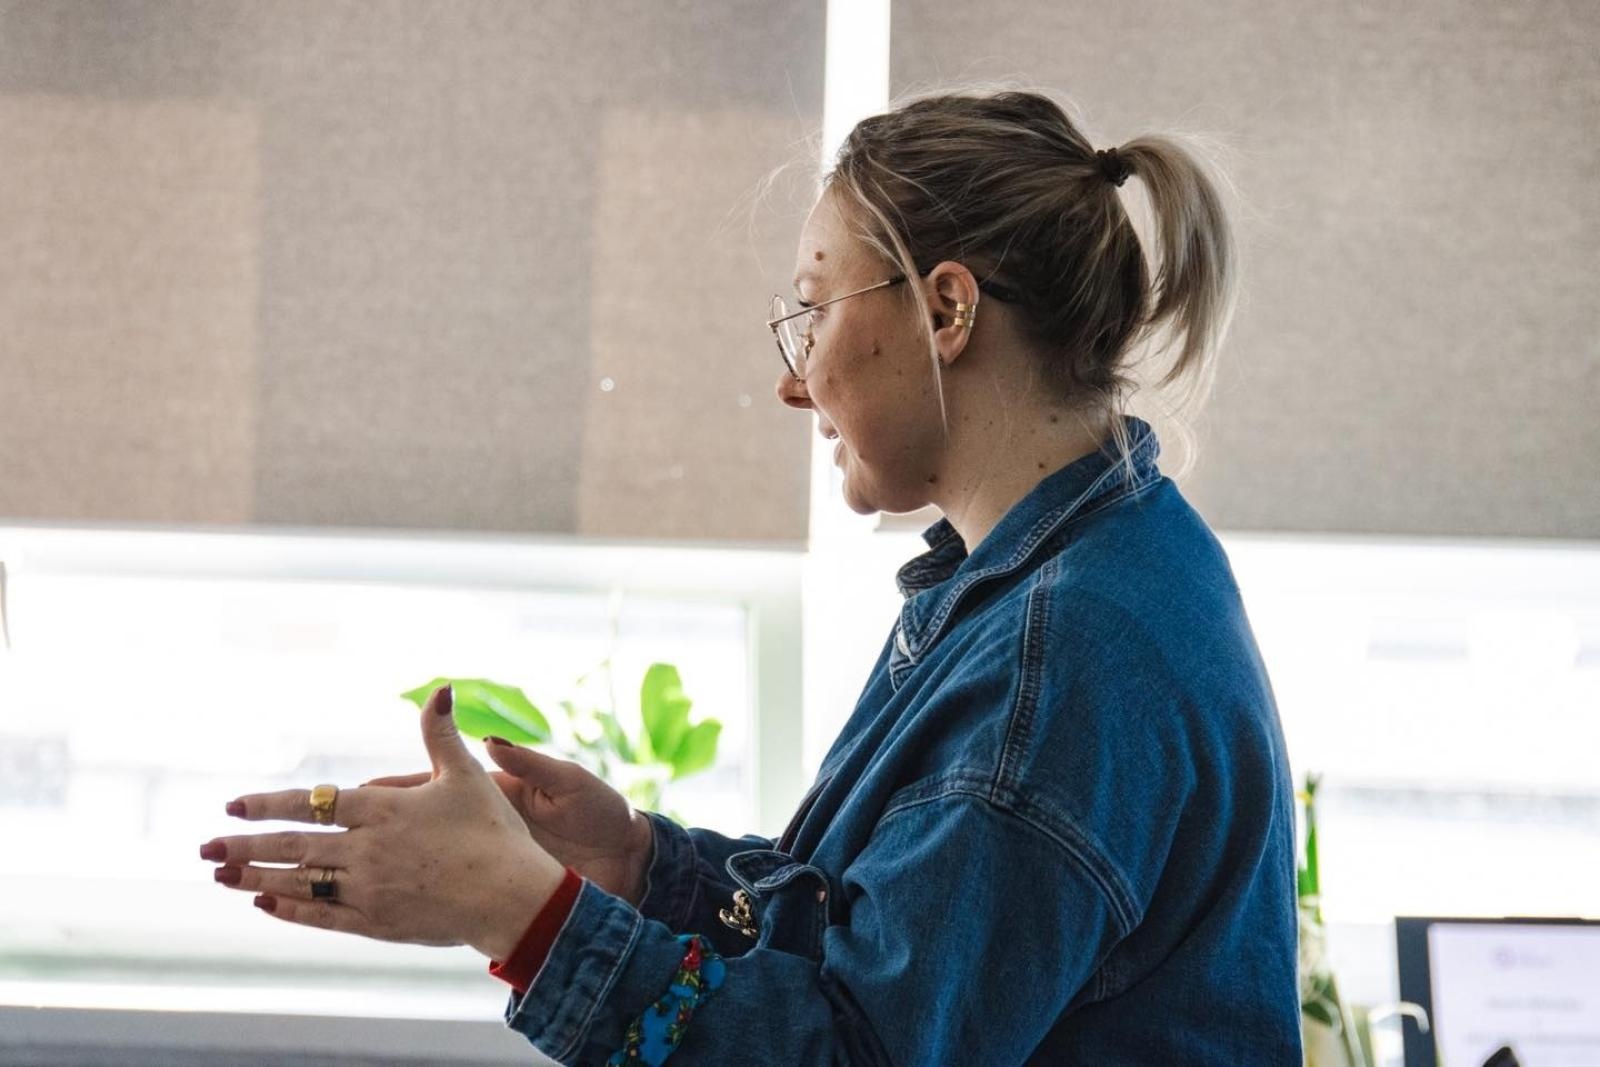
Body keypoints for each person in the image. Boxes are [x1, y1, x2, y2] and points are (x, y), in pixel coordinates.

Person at [202, 88, 1301, 1064]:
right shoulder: (1079, 569)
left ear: (945, 310)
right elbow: (872, 945)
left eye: (812, 310)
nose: (791, 384)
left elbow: (851, 1048)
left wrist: (520, 910)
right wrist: (636, 862)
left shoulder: (1059, 664)